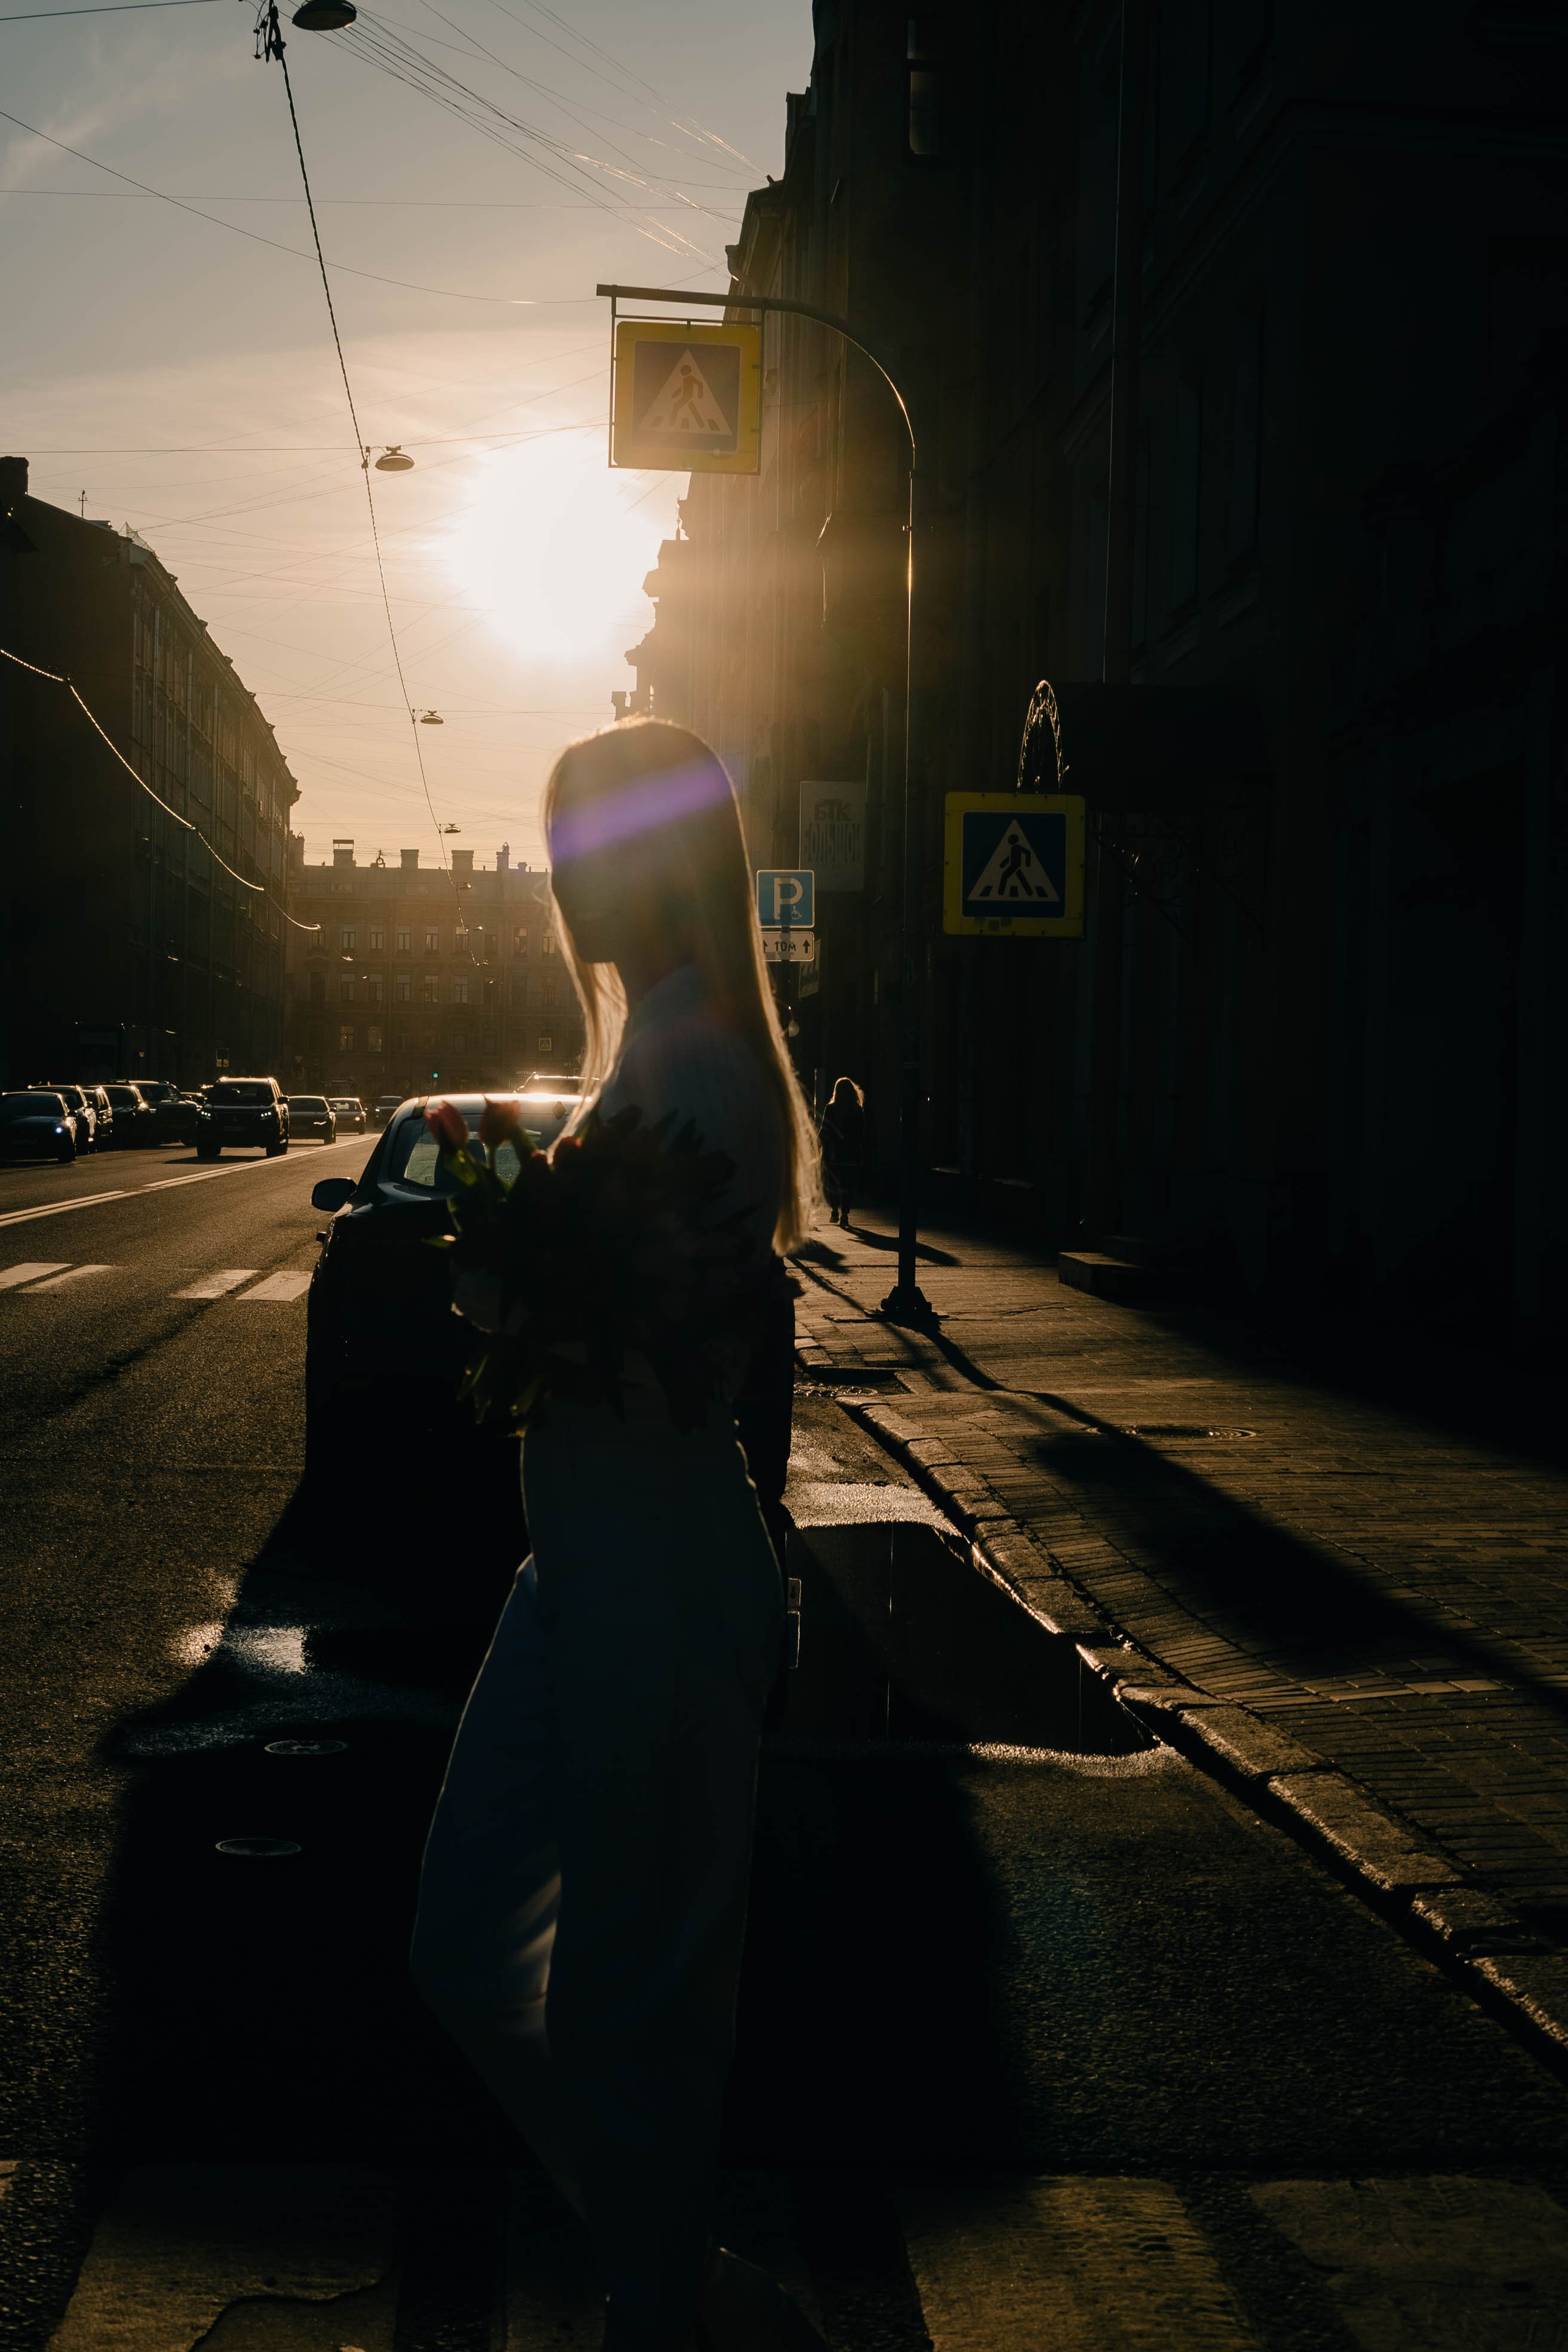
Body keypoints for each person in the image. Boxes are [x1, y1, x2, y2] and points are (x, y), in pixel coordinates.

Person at [410, 720, 824, 2352]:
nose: (566, 880)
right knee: (468, 1943)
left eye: (588, 846)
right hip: (583, 1569)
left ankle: (665, 2303)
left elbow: (645, 1335)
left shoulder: (705, 1055)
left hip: (652, 1570)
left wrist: (509, 1263)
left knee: (633, 2006)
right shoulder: (662, 1035)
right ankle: (676, 2278)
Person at [817, 1076, 864, 1229]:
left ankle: (834, 1211)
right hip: (850, 1153)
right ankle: (845, 1214)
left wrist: (817, 1145)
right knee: (847, 1185)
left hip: (833, 1153)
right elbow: (861, 1132)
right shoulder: (858, 1110)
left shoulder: (830, 1108)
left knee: (832, 1184)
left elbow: (824, 1130)